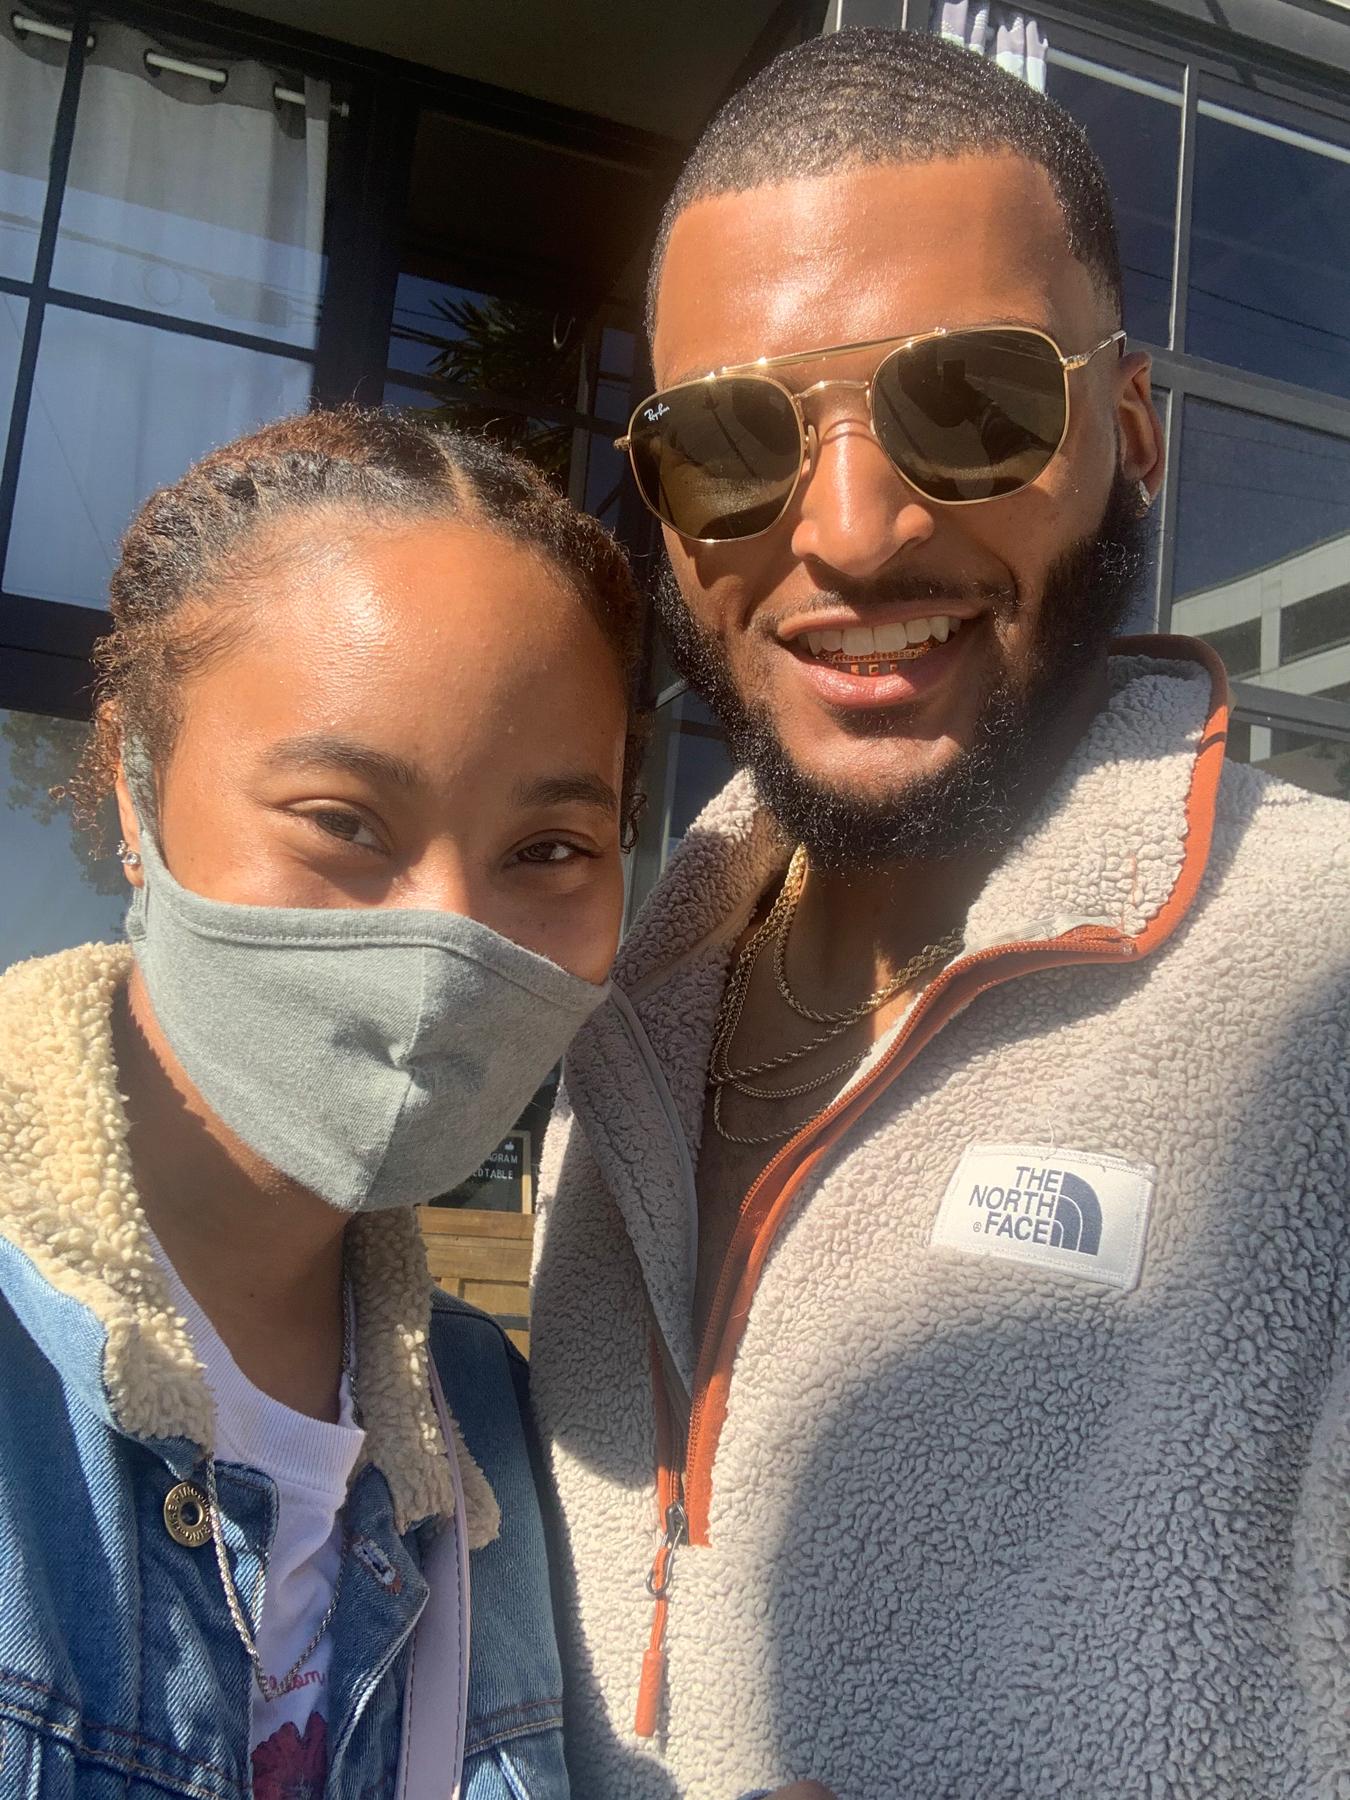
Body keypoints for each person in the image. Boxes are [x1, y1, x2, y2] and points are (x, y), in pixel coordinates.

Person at [529, 28, 1350, 1800]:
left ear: (1129, 430)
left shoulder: (1324, 993)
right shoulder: (608, 1032)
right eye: (728, 442)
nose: (848, 533)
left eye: (970, 405)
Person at [0, 408, 644, 1799]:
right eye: (343, 821)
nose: (450, 936)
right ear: (137, 790)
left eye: (550, 847)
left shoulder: (493, 1427)